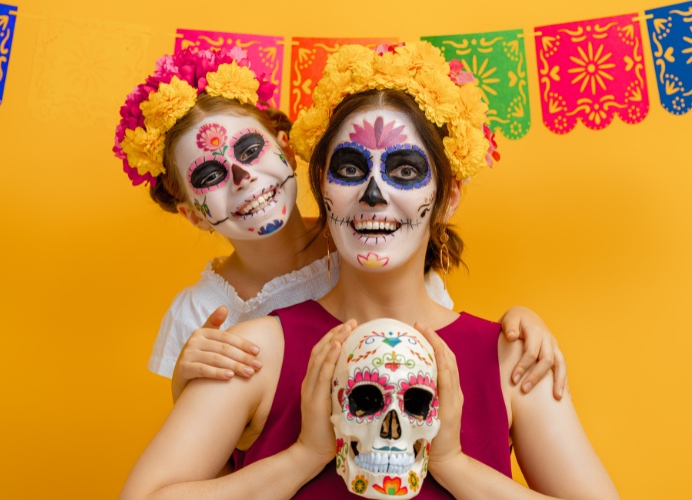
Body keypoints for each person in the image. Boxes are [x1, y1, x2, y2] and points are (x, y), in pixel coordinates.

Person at [119, 42, 618, 498]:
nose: (373, 195)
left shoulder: (513, 359)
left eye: (404, 170)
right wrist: (302, 457)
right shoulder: (254, 352)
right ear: (322, 187)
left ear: (445, 197)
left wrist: (452, 463)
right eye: (351, 170)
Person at [114, 46, 567, 404]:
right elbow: (206, 457)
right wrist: (184, 384)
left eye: (251, 151)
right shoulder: (198, 313)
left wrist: (514, 327)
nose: (242, 177)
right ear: (192, 212)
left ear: (287, 149)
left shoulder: (367, 243)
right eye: (210, 177)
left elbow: (443, 334)